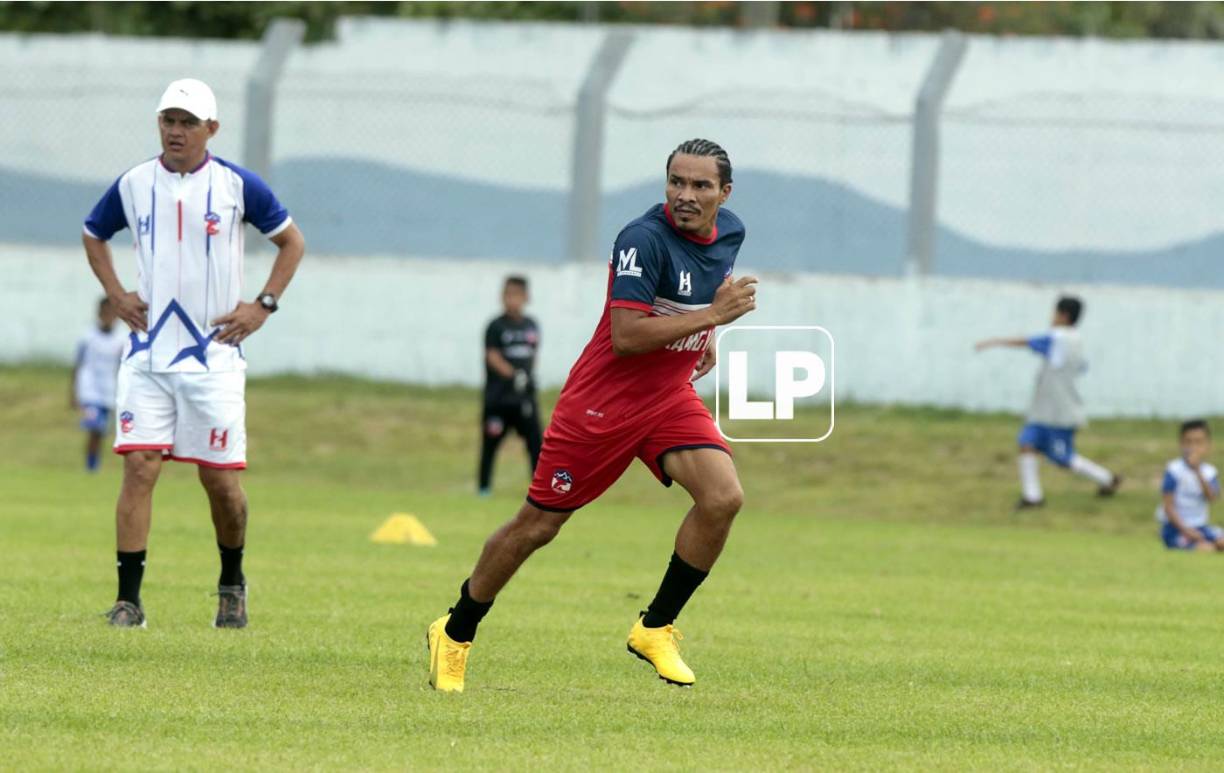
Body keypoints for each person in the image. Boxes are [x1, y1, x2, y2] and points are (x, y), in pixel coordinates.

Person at [427, 138, 757, 692]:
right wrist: (711, 314)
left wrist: (710, 332)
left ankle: (656, 627)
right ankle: (455, 631)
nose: (685, 195)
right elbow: (627, 337)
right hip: (601, 405)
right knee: (538, 527)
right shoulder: (642, 240)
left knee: (723, 497)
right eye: (676, 181)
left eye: (701, 185)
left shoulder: (732, 231)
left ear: (724, 193)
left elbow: (707, 288)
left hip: (669, 397)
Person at [82, 78, 306, 629]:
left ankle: (232, 581)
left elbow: (291, 242)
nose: (176, 131)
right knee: (139, 466)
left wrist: (263, 305)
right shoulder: (134, 183)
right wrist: (116, 293)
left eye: (187, 122)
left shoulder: (236, 185)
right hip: (148, 355)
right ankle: (128, 601)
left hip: (215, 358)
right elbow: (93, 233)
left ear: (212, 129)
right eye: (168, 120)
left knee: (220, 482)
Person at [975, 295, 1120, 509]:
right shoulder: (1076, 340)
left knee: (1063, 459)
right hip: (1043, 412)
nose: (1052, 317)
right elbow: (1081, 367)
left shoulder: (1059, 337)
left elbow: (1027, 341)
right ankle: (1032, 497)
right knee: (1027, 444)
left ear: (1063, 315)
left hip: (1059, 413)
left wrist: (993, 342)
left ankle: (1107, 479)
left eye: (1054, 312)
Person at [478, 275, 542, 495]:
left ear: (525, 297)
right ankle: (484, 489)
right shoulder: (495, 327)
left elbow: (533, 355)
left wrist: (527, 378)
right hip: (498, 399)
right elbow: (492, 357)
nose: (510, 299)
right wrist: (514, 375)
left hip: (524, 399)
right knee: (490, 444)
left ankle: (539, 492)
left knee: (536, 445)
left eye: (515, 294)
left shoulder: (531, 326)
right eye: (507, 294)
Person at [71, 297, 126, 472]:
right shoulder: (87, 337)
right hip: (89, 390)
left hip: (108, 390)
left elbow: (122, 366)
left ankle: (94, 463)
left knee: (102, 430)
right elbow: (77, 365)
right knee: (94, 428)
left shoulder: (121, 339)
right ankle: (90, 466)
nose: (108, 316)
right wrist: (73, 393)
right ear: (99, 313)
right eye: (105, 313)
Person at [1156, 420, 1222, 551]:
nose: (1193, 447)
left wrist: (1198, 471)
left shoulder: (1209, 472)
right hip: (1176, 528)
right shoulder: (1174, 470)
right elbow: (1168, 507)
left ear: (1207, 445)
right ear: (1181, 444)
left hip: (1200, 526)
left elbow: (1212, 498)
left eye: (1199, 442)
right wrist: (1187, 530)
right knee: (1205, 549)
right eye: (1189, 442)